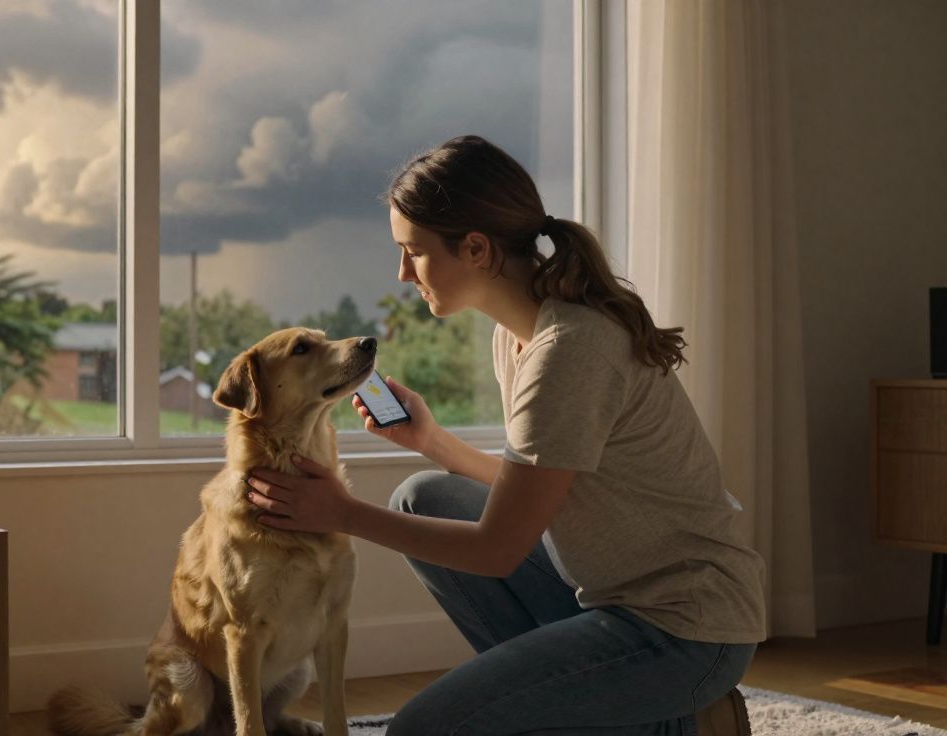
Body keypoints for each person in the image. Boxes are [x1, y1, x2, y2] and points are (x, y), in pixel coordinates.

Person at [243, 135, 764, 735]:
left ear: (475, 249)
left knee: (422, 729)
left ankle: (686, 722)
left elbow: (498, 549)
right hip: (605, 595)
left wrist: (339, 513)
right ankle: (585, 703)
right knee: (424, 493)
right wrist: (432, 441)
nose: (402, 273)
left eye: (413, 252)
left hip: (686, 628)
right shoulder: (514, 337)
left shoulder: (569, 350)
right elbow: (542, 490)